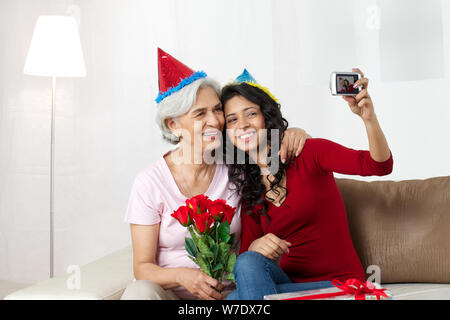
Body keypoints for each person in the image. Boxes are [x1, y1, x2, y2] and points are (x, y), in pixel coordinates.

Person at [121, 49, 310, 300]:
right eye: (200, 114)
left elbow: (268, 141)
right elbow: (142, 267)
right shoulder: (150, 182)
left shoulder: (238, 165)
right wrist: (182, 276)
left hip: (232, 295)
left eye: (217, 110)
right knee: (140, 293)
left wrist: (295, 132)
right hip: (172, 295)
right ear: (173, 124)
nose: (215, 121)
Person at [221, 68, 393, 300]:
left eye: (250, 114)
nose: (242, 124)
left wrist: (369, 119)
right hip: (292, 286)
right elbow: (247, 262)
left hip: (340, 286)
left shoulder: (310, 152)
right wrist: (257, 246)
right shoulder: (250, 189)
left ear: (266, 117)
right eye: (232, 119)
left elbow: (378, 166)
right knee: (246, 265)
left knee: (235, 300)